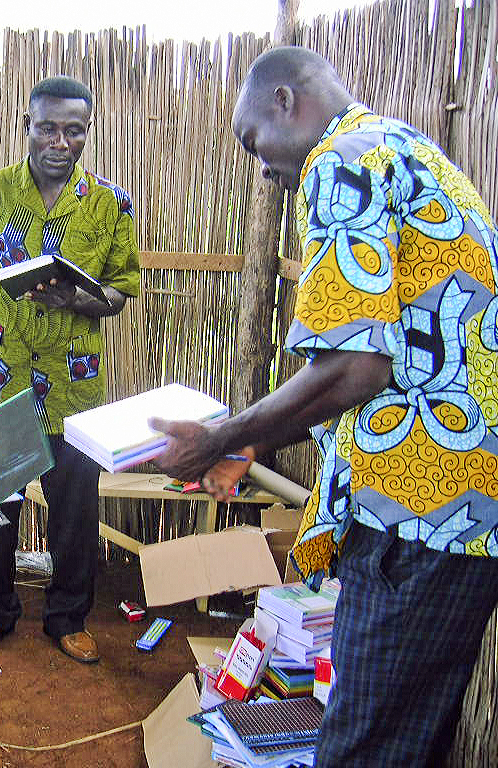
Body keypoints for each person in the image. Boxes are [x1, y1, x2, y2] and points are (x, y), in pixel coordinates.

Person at [151, 46, 498, 768]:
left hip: (417, 510)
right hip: (465, 514)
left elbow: (353, 369)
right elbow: (400, 351)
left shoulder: (343, 159)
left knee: (362, 749)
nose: (262, 167)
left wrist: (221, 435)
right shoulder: (408, 150)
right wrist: (249, 444)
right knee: (410, 740)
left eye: (254, 141)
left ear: (286, 101)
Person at [0, 75, 140, 664]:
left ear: (88, 131)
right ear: (26, 125)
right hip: (5, 374)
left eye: (74, 130)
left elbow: (120, 292)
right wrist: (16, 305)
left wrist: (76, 301)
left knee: (75, 510)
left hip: (75, 385)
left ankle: (66, 618)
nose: (61, 141)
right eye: (48, 128)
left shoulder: (111, 204)